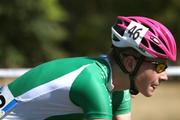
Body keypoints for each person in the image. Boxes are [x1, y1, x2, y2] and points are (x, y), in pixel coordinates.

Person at [0, 16, 176, 120]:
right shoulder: (92, 82)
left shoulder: (118, 84)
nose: (165, 76)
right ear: (130, 63)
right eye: (159, 66)